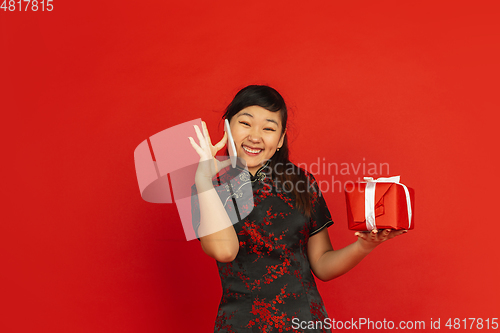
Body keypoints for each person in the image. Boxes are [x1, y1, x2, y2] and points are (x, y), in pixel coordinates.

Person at [188, 85, 406, 333]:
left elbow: (322, 265)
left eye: (269, 128)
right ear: (227, 127)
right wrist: (204, 181)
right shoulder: (207, 189)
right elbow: (225, 251)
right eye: (245, 124)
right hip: (240, 326)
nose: (255, 136)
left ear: (280, 139)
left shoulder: (303, 183)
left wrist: (365, 245)